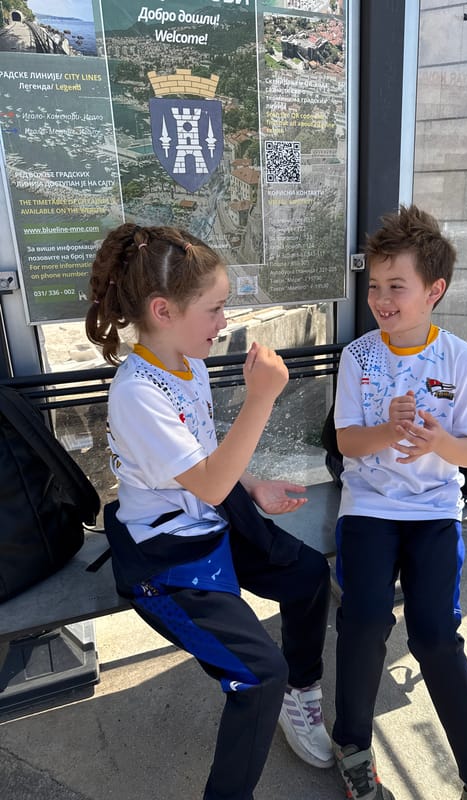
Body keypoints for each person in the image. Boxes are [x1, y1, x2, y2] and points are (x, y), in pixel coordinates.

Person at [85, 223, 333, 800]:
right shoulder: (137, 392)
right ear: (163, 310)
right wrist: (263, 397)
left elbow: (203, 456)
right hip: (168, 556)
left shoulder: (184, 361)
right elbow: (209, 483)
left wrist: (253, 484)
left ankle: (301, 690)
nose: (225, 322)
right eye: (216, 308)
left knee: (308, 576)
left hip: (212, 515)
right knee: (256, 675)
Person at [330, 205, 467, 800]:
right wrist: (386, 428)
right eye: (374, 286)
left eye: (395, 287)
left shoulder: (460, 359)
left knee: (434, 635)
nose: (381, 298)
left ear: (434, 291)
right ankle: (352, 744)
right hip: (370, 509)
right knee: (365, 618)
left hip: (432, 512)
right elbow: (347, 441)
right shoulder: (359, 358)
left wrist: (438, 441)